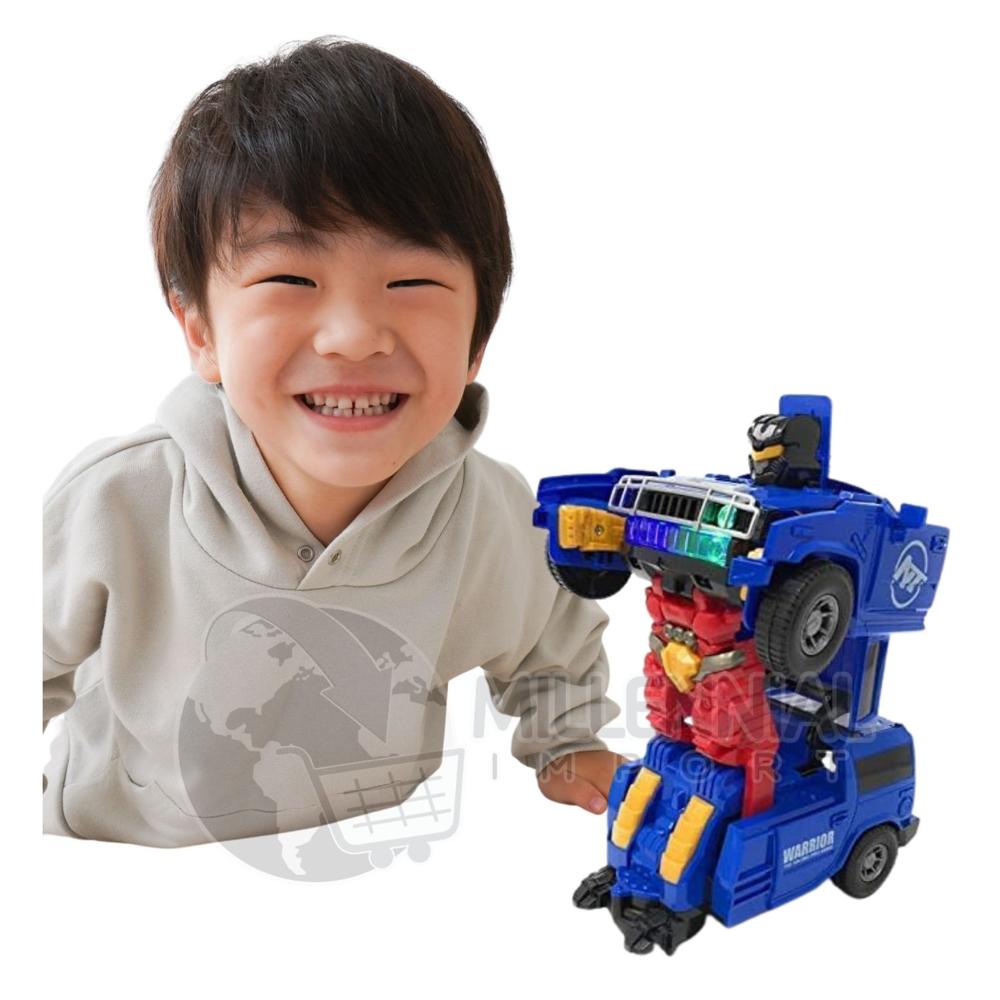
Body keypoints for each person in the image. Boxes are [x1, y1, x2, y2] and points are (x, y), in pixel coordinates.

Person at [42, 36, 623, 847]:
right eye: (290, 280)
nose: (352, 335)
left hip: (380, 856)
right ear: (200, 330)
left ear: (477, 341)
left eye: (411, 282)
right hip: (128, 859)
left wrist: (566, 741)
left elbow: (550, 645)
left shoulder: (492, 515)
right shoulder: (116, 503)